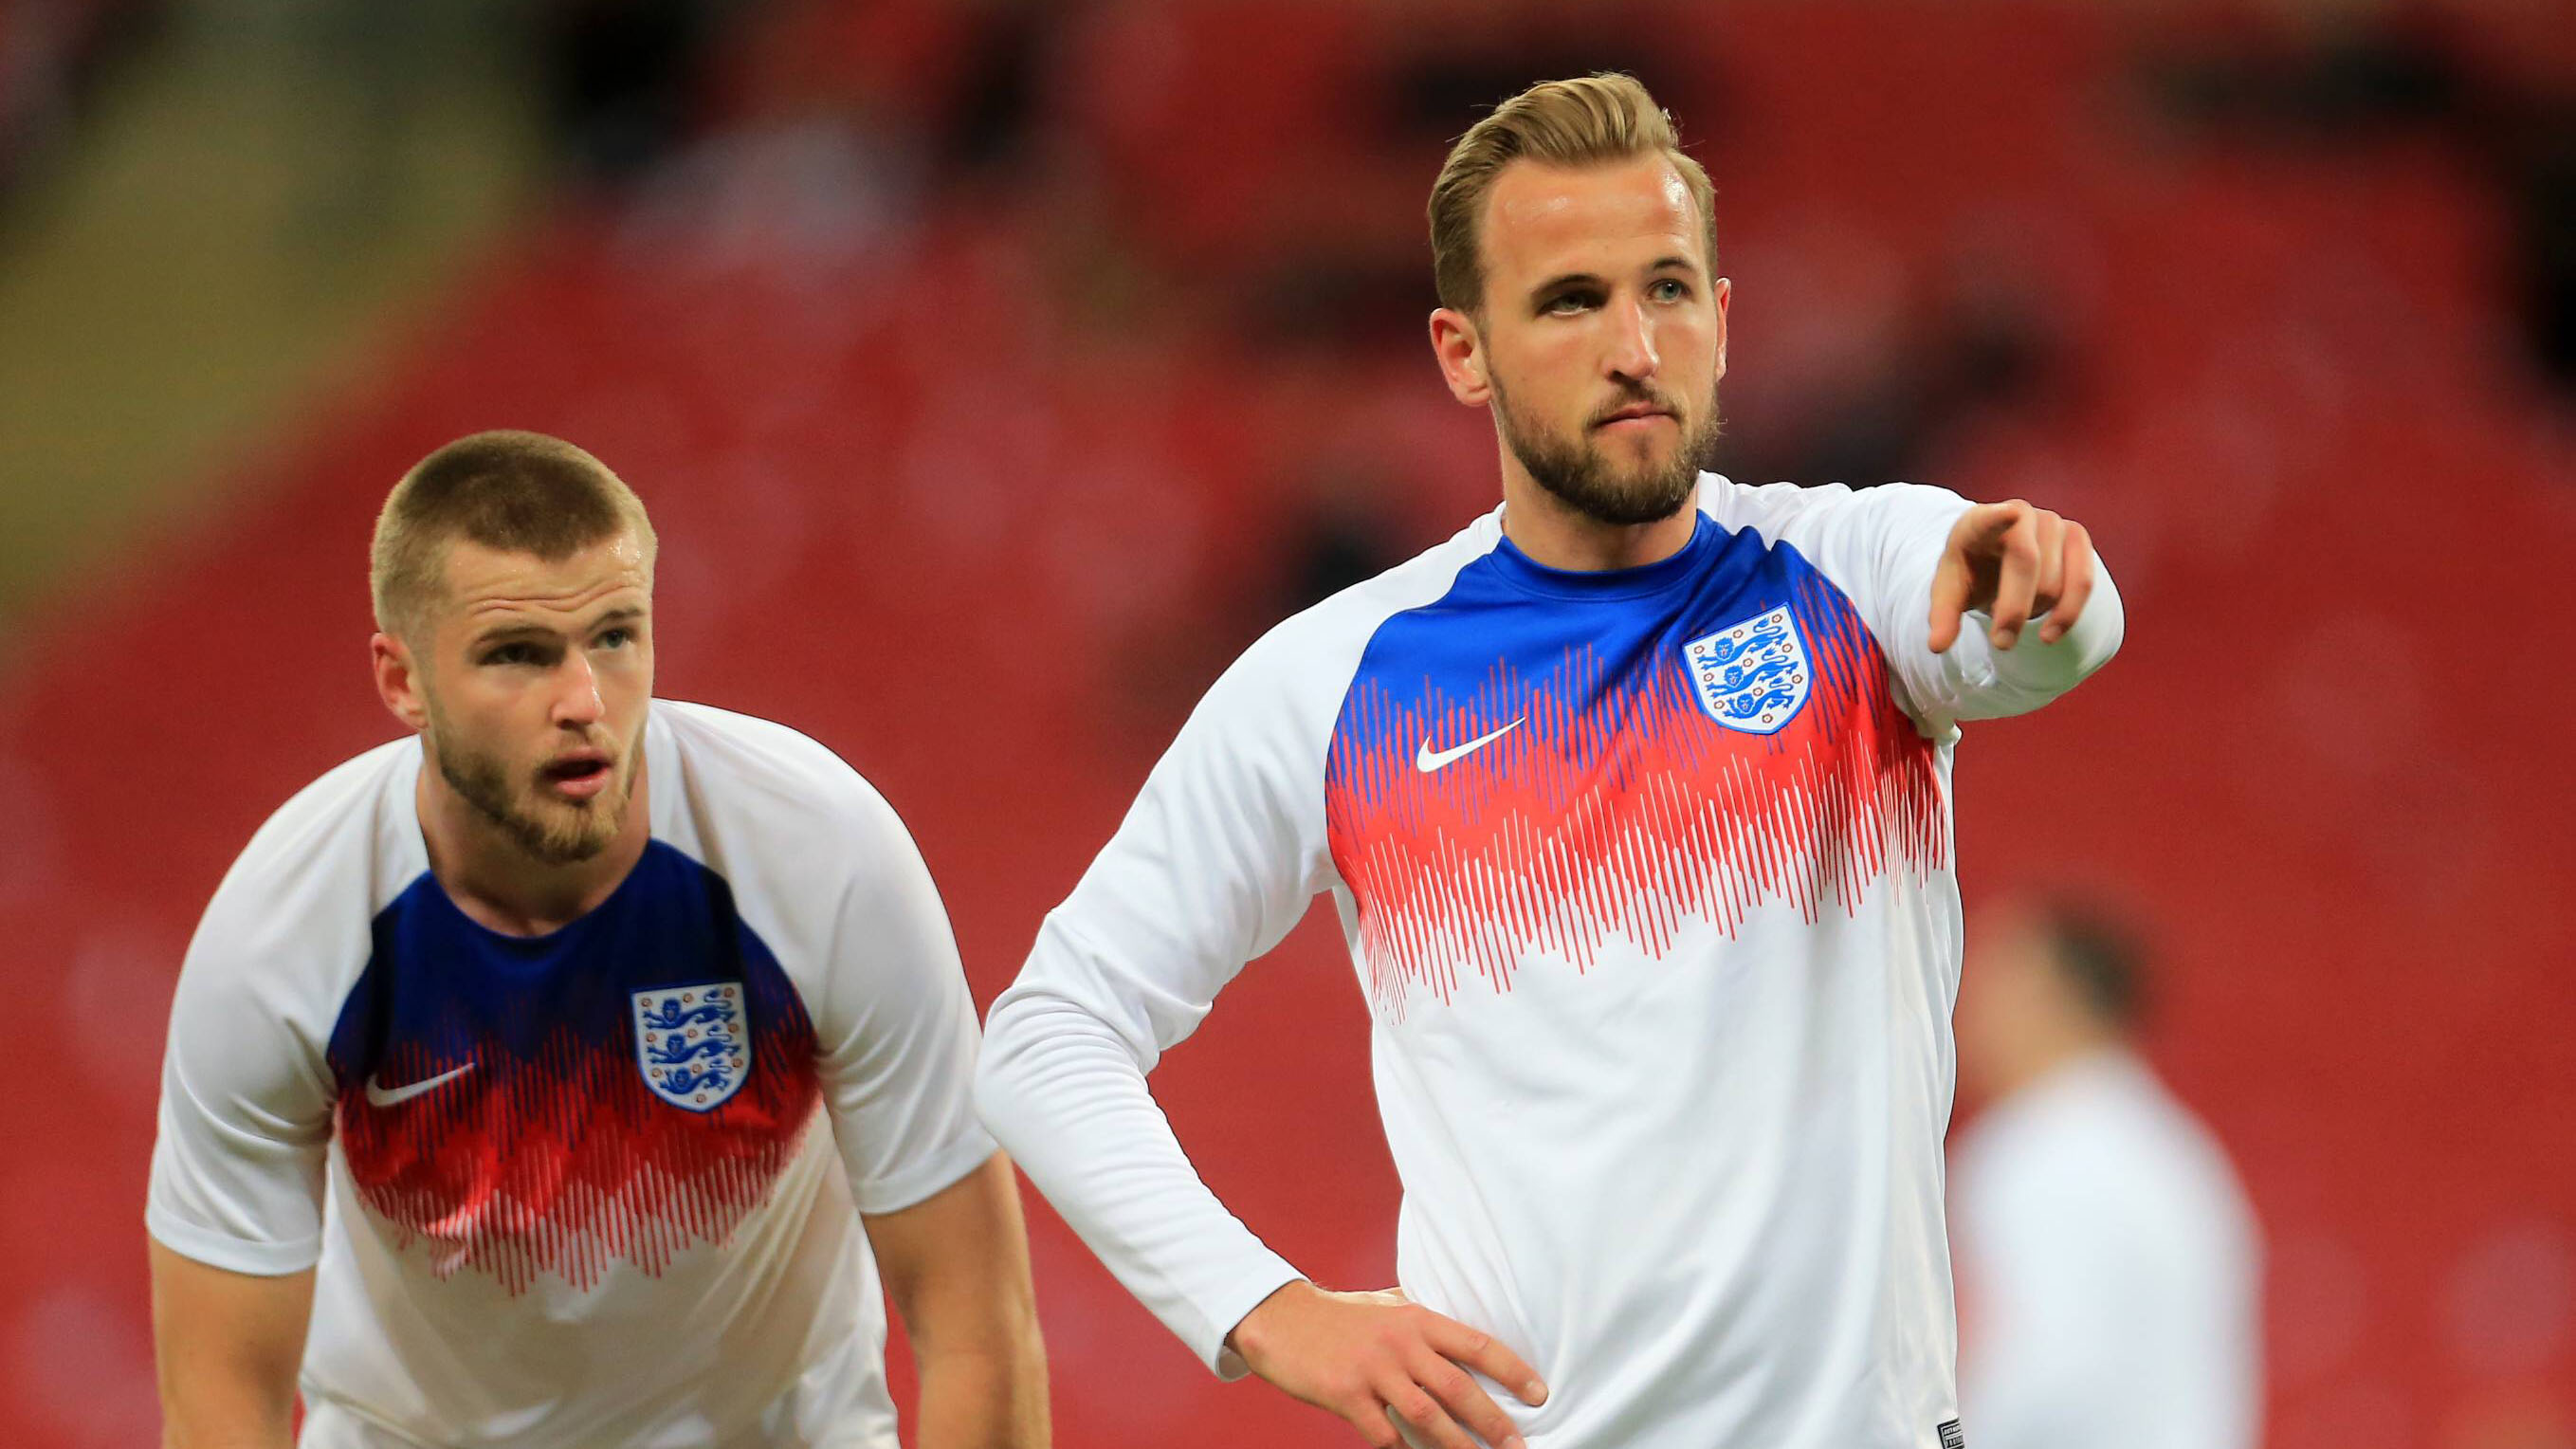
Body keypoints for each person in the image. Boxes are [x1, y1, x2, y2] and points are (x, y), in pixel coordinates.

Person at [974, 72, 2123, 1449]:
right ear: (1464, 353)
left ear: (1723, 317)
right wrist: (1267, 1310)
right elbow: (1047, 1038)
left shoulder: (1849, 575)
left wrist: (2045, 584)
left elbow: (2033, 636)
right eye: (1572, 301)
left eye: (1670, 290)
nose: (1635, 344)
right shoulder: (1337, 682)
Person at [146, 431, 1048, 1447]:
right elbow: (224, 1398)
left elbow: (975, 1323)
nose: (583, 703)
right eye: (518, 654)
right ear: (402, 683)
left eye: (615, 636)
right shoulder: (282, 936)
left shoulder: (822, 854)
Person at [1950, 896, 2263, 1449]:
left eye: (1986, 980)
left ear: (2044, 994)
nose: (1961, 1005)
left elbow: (2041, 1376)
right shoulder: (2178, 1154)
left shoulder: (2037, 1153)